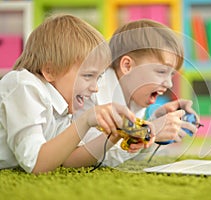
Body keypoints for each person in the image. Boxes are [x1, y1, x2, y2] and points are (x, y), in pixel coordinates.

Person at [0, 14, 152, 174]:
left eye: (98, 78)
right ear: (50, 71)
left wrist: (115, 135)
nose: (95, 88)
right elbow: (37, 163)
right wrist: (85, 120)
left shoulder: (62, 109)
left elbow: (68, 160)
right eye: (88, 76)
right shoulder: (24, 86)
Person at [83, 19, 200, 167]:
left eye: (171, 75)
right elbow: (97, 158)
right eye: (162, 71)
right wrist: (150, 130)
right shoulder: (93, 92)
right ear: (127, 66)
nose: (169, 84)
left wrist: (152, 123)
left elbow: (129, 155)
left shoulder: (134, 95)